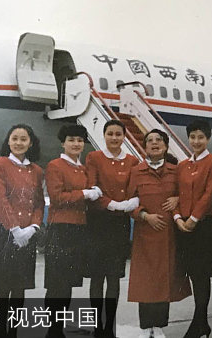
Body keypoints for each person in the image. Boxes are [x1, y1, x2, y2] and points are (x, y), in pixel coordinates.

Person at [127, 129, 192, 338]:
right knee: (145, 283)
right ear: (144, 147)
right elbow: (130, 203)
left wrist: (178, 199)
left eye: (159, 141)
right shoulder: (136, 172)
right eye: (150, 141)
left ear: (165, 146)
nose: (154, 144)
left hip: (168, 237)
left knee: (164, 282)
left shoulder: (177, 171)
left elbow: (188, 194)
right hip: (145, 235)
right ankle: (146, 327)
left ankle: (160, 326)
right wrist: (145, 216)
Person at [0, 124, 44, 338]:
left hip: (27, 233)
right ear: (8, 141)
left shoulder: (37, 171)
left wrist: (34, 227)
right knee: (3, 287)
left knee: (20, 288)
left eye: (23, 139)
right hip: (3, 231)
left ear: (30, 143)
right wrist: (15, 229)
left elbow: (39, 202)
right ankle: (2, 333)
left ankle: (14, 333)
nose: (19, 143)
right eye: (15, 138)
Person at [45, 124, 101, 338]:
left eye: (80, 140)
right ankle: (53, 330)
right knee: (57, 284)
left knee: (67, 283)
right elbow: (57, 198)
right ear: (63, 142)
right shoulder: (55, 165)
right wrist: (86, 193)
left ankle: (58, 329)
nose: (76, 144)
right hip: (61, 228)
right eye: (71, 140)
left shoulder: (83, 168)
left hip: (79, 228)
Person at [85, 120, 140, 337]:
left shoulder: (133, 161)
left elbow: (134, 189)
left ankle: (109, 327)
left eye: (118, 134)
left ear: (124, 137)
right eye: (110, 134)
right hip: (99, 221)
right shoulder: (94, 157)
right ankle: (98, 326)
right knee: (98, 277)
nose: (114, 138)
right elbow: (92, 187)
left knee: (114, 277)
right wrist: (112, 204)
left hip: (119, 224)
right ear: (104, 135)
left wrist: (132, 202)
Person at [174, 120, 212, 338]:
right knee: (192, 273)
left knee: (201, 274)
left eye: (201, 137)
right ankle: (201, 323)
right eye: (192, 137)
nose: (196, 141)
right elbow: (176, 194)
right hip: (183, 226)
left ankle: (199, 321)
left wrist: (194, 218)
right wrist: (178, 218)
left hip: (203, 225)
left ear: (208, 138)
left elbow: (210, 193)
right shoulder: (183, 165)